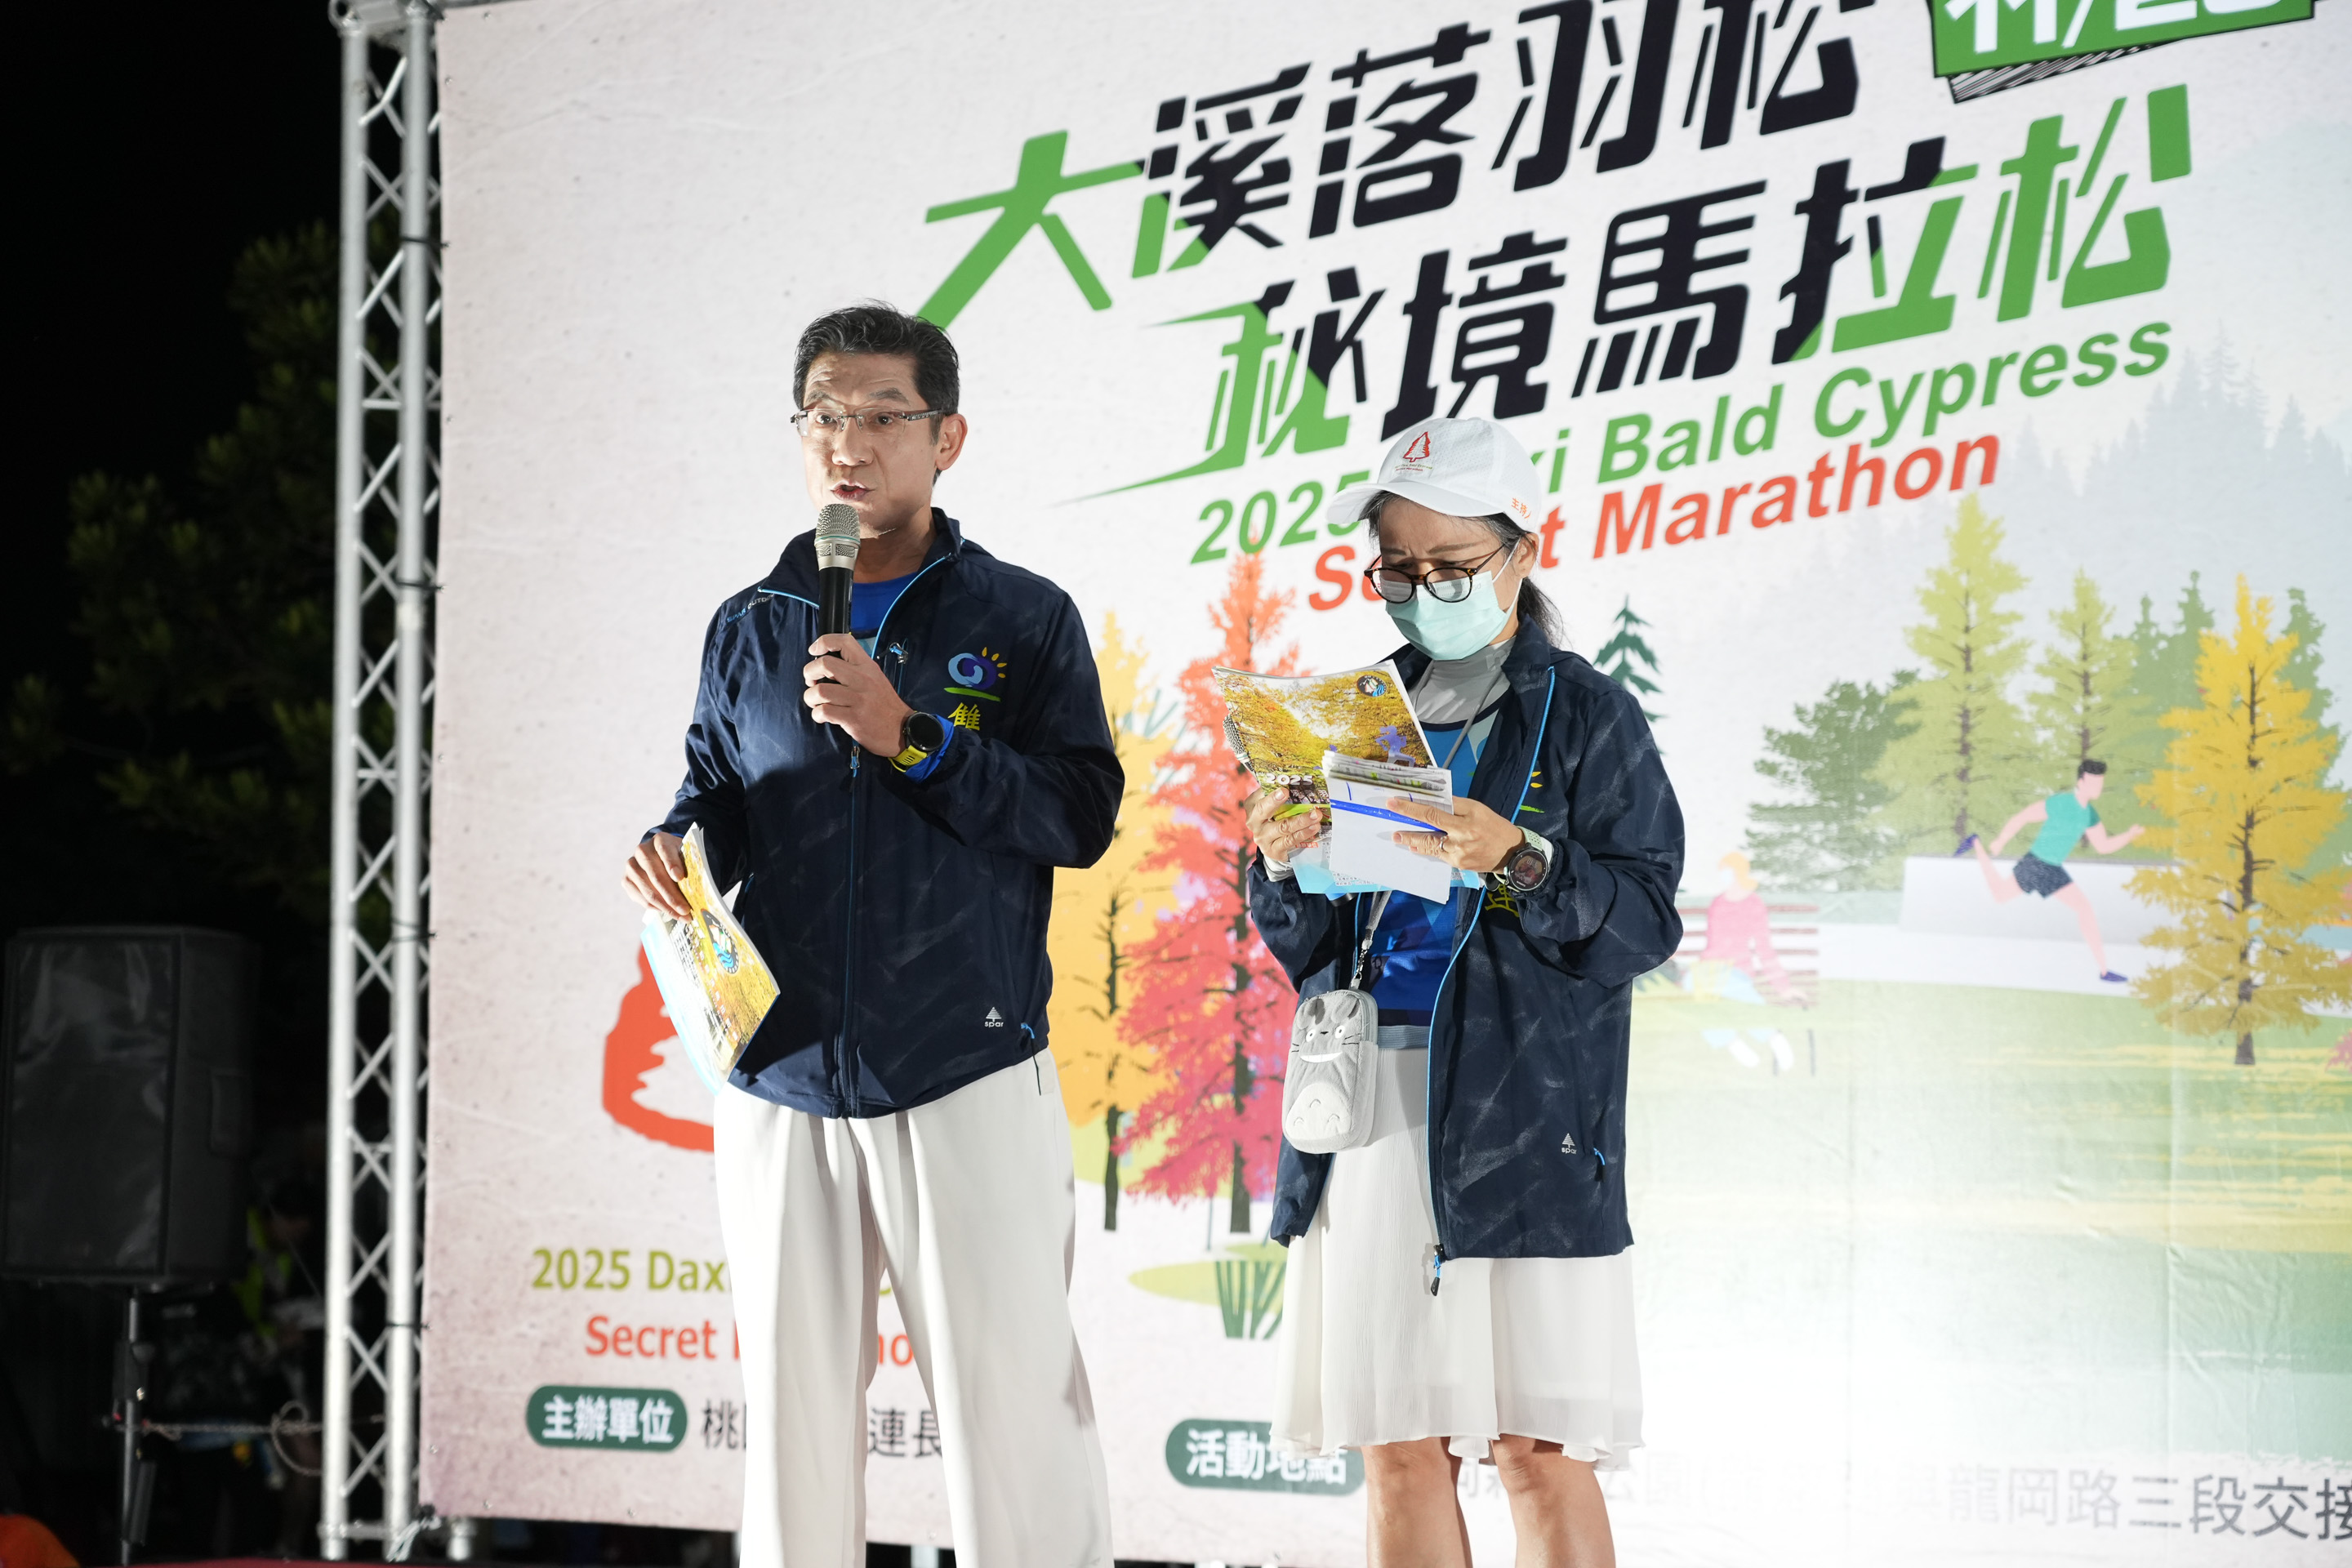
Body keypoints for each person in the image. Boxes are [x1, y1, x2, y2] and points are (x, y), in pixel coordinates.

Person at [621, 302, 1121, 1568]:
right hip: (782, 1068)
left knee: (1014, 1417)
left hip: (966, 1059)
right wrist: (680, 845)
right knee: (789, 1424)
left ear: (947, 438)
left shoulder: (1022, 616)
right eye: (823, 417)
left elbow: (1079, 815)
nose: (848, 444)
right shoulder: (751, 622)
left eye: (882, 416)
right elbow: (719, 790)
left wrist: (914, 737)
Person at [1245, 418, 1685, 1567]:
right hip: (1371, 1108)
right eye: (1398, 568)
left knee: (1538, 1450)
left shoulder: (1587, 715)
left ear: (1523, 555)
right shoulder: (1351, 716)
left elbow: (1643, 924)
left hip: (1523, 1119)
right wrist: (1279, 864)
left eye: (1451, 566)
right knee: (1400, 1446)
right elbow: (1311, 945)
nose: (1422, 591)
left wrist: (1519, 856)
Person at [1960, 759, 2144, 982]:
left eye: (2100, 782)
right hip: (2036, 864)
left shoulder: (2090, 815)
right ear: (2081, 782)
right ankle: (1976, 844)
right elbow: (2023, 817)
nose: (2098, 787)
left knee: (2085, 909)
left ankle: (2104, 971)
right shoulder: (2061, 803)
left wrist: (2129, 836)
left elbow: (2103, 846)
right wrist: (2001, 840)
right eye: (2094, 782)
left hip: (2053, 869)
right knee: (1999, 895)